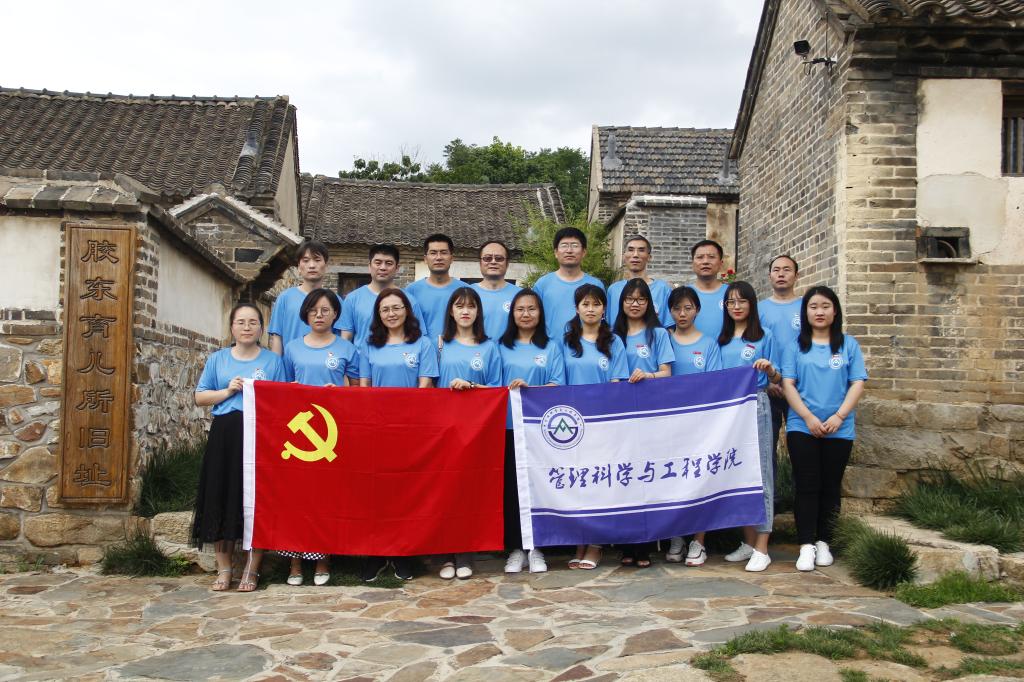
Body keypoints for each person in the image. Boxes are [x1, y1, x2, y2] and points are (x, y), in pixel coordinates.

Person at [685, 281, 781, 572]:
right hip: (726, 413)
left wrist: (770, 370)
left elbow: (778, 378)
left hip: (756, 406)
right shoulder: (720, 340)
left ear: (752, 304)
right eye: (731, 302)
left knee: (761, 472)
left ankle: (762, 547)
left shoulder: (765, 336)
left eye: (742, 301)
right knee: (736, 473)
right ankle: (748, 542)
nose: (736, 307)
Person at [192, 302, 284, 592]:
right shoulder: (218, 359)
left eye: (253, 322)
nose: (247, 327)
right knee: (220, 495)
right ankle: (224, 568)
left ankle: (252, 569)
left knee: (256, 499)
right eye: (241, 322)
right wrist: (228, 390)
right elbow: (200, 397)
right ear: (232, 327)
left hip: (259, 435)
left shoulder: (273, 362)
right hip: (225, 435)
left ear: (261, 328)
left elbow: (282, 399)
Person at [782, 286, 867, 572]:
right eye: (813, 306)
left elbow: (857, 382)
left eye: (825, 306)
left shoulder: (848, 345)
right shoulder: (795, 346)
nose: (819, 312)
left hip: (839, 428)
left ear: (835, 311)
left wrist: (839, 417)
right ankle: (806, 544)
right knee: (806, 485)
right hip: (802, 426)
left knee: (831, 485)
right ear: (805, 312)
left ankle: (824, 542)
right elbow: (788, 384)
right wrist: (808, 418)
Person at [357, 288, 439, 581]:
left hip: (410, 428)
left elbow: (425, 386)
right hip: (377, 428)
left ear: (407, 310)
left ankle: (404, 553)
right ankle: (377, 553)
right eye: (385, 309)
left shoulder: (423, 344)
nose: (391, 314)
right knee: (376, 492)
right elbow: (364, 387)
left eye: (396, 308)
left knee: (407, 491)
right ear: (378, 315)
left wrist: (408, 420)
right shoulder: (369, 345)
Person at [280, 289, 359, 586]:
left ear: (336, 314)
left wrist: (340, 393)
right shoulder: (292, 348)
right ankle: (295, 562)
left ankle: (323, 558)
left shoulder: (347, 349)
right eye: (313, 310)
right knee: (296, 497)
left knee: (327, 496)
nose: (319, 315)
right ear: (305, 314)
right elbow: (283, 388)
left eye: (325, 310)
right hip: (300, 433)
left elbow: (358, 391)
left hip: (333, 431)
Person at [435, 287, 503, 580]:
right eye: (459, 306)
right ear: (451, 311)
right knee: (443, 490)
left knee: (467, 491)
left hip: (476, 429)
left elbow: (497, 389)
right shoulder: (439, 344)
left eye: (471, 306)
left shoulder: (489, 347)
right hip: (443, 428)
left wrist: (471, 386)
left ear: (478, 312)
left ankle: (465, 553)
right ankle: (444, 554)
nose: (465, 311)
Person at [561, 284, 629, 570]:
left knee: (600, 484)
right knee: (576, 484)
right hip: (572, 427)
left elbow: (617, 384)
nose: (590, 309)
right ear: (577, 308)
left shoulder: (614, 342)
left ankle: (596, 544)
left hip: (602, 425)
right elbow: (559, 381)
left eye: (596, 304)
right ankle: (579, 540)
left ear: (604, 309)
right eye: (585, 304)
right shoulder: (565, 342)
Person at [498, 289, 565, 575]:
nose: (526, 314)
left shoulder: (551, 347)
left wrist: (530, 389)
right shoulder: (500, 347)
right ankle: (516, 548)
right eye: (520, 309)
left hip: (540, 430)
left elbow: (558, 385)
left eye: (532, 309)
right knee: (512, 490)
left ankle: (537, 547)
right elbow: (493, 386)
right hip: (508, 427)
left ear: (540, 313)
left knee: (538, 488)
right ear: (512, 314)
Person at [612, 278, 674, 568]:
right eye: (629, 299)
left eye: (640, 299)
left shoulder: (658, 334)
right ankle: (626, 544)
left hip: (651, 412)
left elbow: (666, 372)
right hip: (620, 415)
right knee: (624, 477)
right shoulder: (614, 336)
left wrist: (647, 376)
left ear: (649, 303)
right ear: (621, 303)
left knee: (647, 478)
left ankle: (645, 547)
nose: (634, 304)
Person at [663, 285, 723, 562]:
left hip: (700, 423)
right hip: (668, 422)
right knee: (672, 478)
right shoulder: (664, 339)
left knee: (700, 480)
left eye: (688, 308)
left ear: (697, 310)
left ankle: (699, 541)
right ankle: (676, 536)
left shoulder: (709, 344)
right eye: (677, 308)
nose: (682, 313)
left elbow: (714, 384)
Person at [759, 254, 802, 469]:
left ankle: (798, 489)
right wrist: (768, 382)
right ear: (770, 276)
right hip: (769, 387)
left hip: (800, 387)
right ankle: (773, 490)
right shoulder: (759, 309)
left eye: (787, 270)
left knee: (800, 447)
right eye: (776, 270)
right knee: (767, 446)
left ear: (796, 275)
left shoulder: (806, 307)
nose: (781, 274)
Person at [340, 244, 425, 347]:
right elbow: (346, 338)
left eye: (389, 263)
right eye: (378, 263)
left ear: (397, 268)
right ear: (369, 266)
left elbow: (418, 336)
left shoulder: (409, 300)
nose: (383, 267)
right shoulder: (352, 298)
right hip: (362, 357)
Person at [268, 240, 342, 354]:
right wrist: (277, 364)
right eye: (306, 261)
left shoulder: (336, 301)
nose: (311, 265)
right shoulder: (285, 298)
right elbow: (277, 338)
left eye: (317, 260)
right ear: (298, 267)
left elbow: (340, 339)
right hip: (290, 364)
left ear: (326, 265)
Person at [533, 227, 606, 338]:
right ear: (556, 252)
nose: (569, 250)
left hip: (585, 346)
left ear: (584, 252)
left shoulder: (596, 285)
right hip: (550, 346)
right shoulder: (542, 284)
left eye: (575, 245)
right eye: (564, 245)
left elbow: (602, 320)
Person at [405, 233, 464, 342]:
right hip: (422, 350)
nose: (439, 257)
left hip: (457, 350)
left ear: (452, 258)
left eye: (444, 252)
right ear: (425, 259)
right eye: (433, 253)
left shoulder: (465, 290)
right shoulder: (412, 291)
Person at [607, 236, 673, 328]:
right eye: (631, 250)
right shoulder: (613, 290)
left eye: (641, 250)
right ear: (624, 256)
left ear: (649, 257)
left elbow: (669, 327)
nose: (635, 255)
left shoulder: (663, 289)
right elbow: (609, 326)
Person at [472, 240, 521, 341]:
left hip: (510, 350)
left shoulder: (520, 295)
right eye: (487, 258)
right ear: (480, 263)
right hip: (476, 350)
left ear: (507, 263)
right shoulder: (468, 294)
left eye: (499, 258)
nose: (493, 262)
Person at [690, 240, 727, 341]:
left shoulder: (732, 294)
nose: (705, 261)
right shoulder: (683, 295)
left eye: (711, 257)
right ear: (692, 263)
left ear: (721, 263)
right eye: (700, 257)